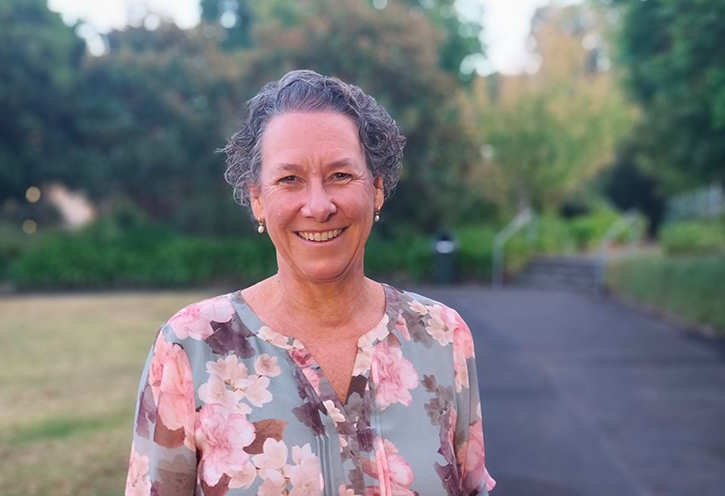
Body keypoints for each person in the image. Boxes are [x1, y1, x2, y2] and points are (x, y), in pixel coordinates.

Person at [125, 70, 496, 496]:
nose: (319, 206)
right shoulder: (192, 346)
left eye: (340, 175)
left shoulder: (441, 336)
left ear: (376, 189)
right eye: (290, 179)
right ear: (258, 200)